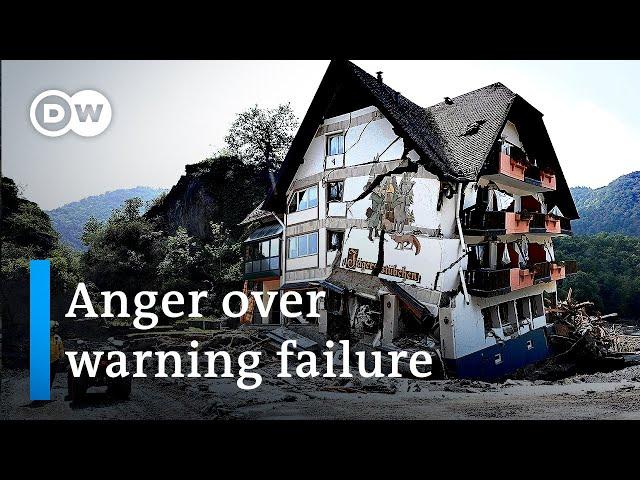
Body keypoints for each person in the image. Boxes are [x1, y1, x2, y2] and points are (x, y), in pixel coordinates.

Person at [50, 321, 64, 389]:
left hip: (54, 361)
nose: (57, 329)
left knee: (50, 378)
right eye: (55, 328)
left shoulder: (57, 338)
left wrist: (62, 356)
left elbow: (61, 348)